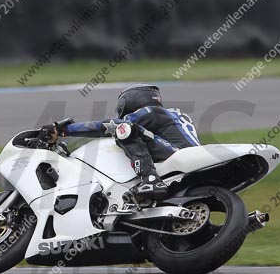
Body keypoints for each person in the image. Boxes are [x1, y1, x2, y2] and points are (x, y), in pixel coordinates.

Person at [41, 83, 200, 204]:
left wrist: (65, 130)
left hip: (179, 154)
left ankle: (150, 180)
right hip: (186, 156)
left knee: (125, 129)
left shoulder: (150, 111)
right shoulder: (171, 114)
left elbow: (111, 125)